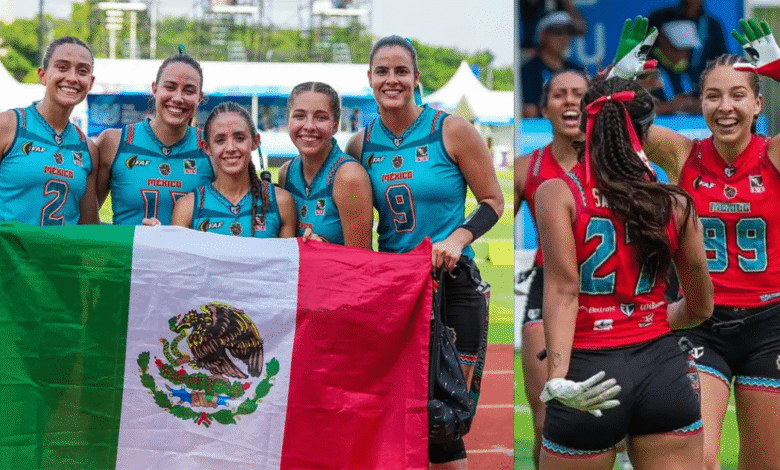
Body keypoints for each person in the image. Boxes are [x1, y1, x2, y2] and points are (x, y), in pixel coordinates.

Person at [535, 76, 713, 470]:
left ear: (588, 126)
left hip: (589, 372)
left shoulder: (558, 193)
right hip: (663, 368)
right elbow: (700, 307)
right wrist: (646, 319)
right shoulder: (676, 202)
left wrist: (558, 376)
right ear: (647, 132)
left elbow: (564, 291)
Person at [346, 35, 504, 470]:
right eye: (383, 71)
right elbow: (353, 226)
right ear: (370, 79)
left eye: (401, 71)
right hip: (396, 295)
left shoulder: (449, 129)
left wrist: (457, 239)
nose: (392, 79)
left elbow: (493, 201)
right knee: (397, 417)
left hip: (452, 288)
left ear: (416, 78)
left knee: (444, 425)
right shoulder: (359, 146)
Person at [640, 18, 780, 470]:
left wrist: (778, 67)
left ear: (758, 104)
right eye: (713, 95)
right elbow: (602, 124)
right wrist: (622, 78)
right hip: (701, 320)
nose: (725, 107)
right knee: (697, 460)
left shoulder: (773, 155)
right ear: (699, 102)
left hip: (771, 323)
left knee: (765, 462)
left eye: (738, 95)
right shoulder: (682, 153)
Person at [514, 69, 587, 469]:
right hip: (548, 290)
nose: (570, 101)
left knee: (617, 414)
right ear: (545, 108)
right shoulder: (527, 167)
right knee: (547, 413)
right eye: (560, 94)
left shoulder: (612, 165)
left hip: (604, 292)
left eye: (579, 94)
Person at [95, 50, 214, 225]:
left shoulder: (212, 150)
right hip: (130, 253)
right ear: (155, 89)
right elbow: (86, 222)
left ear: (199, 98)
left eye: (189, 91)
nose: (178, 98)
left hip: (184, 254)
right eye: (170, 87)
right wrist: (135, 236)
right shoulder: (113, 142)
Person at [0, 36, 98, 225]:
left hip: (60, 255)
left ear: (91, 82)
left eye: (82, 71)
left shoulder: (88, 149)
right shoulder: (8, 125)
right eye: (62, 67)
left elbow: (88, 227)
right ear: (42, 75)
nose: (72, 78)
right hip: (9, 255)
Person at [171, 101, 296, 238]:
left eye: (239, 138)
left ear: (255, 142)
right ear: (206, 147)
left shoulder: (281, 202)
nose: (230, 148)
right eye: (220, 140)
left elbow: (289, 258)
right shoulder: (187, 207)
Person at [278, 82, 372, 248]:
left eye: (320, 118)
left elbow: (361, 260)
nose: (309, 126)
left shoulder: (348, 176)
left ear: (335, 125)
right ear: (288, 121)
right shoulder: (286, 173)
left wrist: (324, 249)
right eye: (299, 116)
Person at [648, 0, 729, 86]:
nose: (684, 53)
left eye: (688, 49)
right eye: (677, 48)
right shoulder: (659, 19)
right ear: (662, 41)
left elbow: (722, 63)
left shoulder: (713, 25)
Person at [521, 11, 586, 118]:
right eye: (558, 32)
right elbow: (529, 111)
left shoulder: (576, 70)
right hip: (538, 132)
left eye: (568, 32)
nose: (564, 37)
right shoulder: (529, 70)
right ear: (543, 34)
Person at [643, 19, 702, 115]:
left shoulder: (694, 69)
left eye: (688, 49)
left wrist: (695, 105)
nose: (683, 55)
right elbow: (635, 110)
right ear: (662, 39)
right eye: (677, 48)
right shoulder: (646, 69)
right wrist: (670, 106)